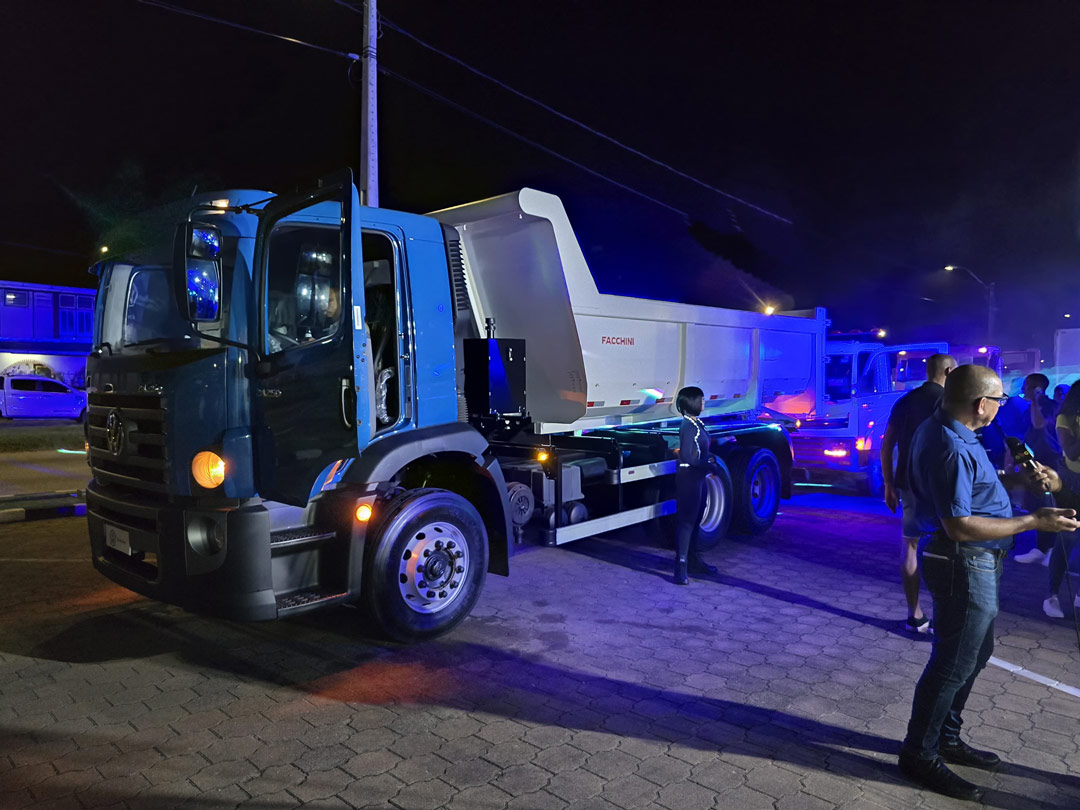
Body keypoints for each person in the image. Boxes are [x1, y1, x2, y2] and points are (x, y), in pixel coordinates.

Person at [897, 365, 1079, 801]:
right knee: (953, 662)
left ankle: (946, 737)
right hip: (963, 561)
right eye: (998, 399)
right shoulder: (950, 445)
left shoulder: (953, 430)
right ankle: (919, 753)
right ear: (982, 404)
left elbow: (978, 485)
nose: (1001, 406)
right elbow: (958, 525)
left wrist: (1019, 480)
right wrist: (1034, 520)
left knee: (975, 654)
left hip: (976, 562)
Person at [881, 353, 956, 634]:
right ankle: (947, 615)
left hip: (908, 482)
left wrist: (889, 483)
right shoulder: (951, 403)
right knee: (951, 546)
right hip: (945, 484)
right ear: (949, 371)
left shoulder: (905, 402)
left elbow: (886, 445)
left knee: (910, 544)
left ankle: (914, 614)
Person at [673, 386, 720, 586]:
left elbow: (699, 451)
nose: (703, 402)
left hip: (698, 478)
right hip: (689, 478)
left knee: (696, 519)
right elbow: (687, 455)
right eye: (701, 399)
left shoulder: (696, 423)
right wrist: (707, 464)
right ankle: (680, 567)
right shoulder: (687, 425)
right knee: (686, 523)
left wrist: (708, 460)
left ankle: (693, 560)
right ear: (690, 402)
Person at [1014, 373, 1062, 565]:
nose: (1023, 389)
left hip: (1050, 463)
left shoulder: (1050, 406)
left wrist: (1035, 401)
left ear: (1037, 388)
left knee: (1048, 505)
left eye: (1027, 386)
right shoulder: (1028, 409)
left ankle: (1050, 549)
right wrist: (1018, 461)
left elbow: (1040, 425)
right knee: (1036, 506)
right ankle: (1042, 548)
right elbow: (1025, 437)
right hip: (1033, 463)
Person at [1043, 380, 1080, 617]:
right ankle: (1052, 595)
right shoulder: (1065, 419)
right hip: (1072, 484)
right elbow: (1071, 452)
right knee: (1066, 539)